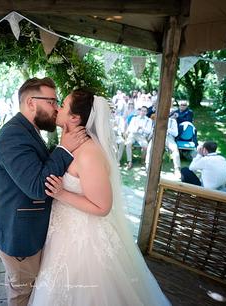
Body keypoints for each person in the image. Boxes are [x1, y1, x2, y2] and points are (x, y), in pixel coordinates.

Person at [29, 90, 170, 306]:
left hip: (84, 238)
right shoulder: (69, 145)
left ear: (75, 118)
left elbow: (103, 206)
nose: (57, 108)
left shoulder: (88, 153)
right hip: (63, 231)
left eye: (63, 105)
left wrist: (61, 193)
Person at [0, 78, 88, 306]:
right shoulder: (13, 137)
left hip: (24, 227)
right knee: (22, 294)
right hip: (19, 234)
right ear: (31, 102)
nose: (56, 108)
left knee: (24, 286)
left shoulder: (27, 130)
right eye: (52, 101)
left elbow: (38, 168)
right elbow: (37, 188)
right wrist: (64, 149)